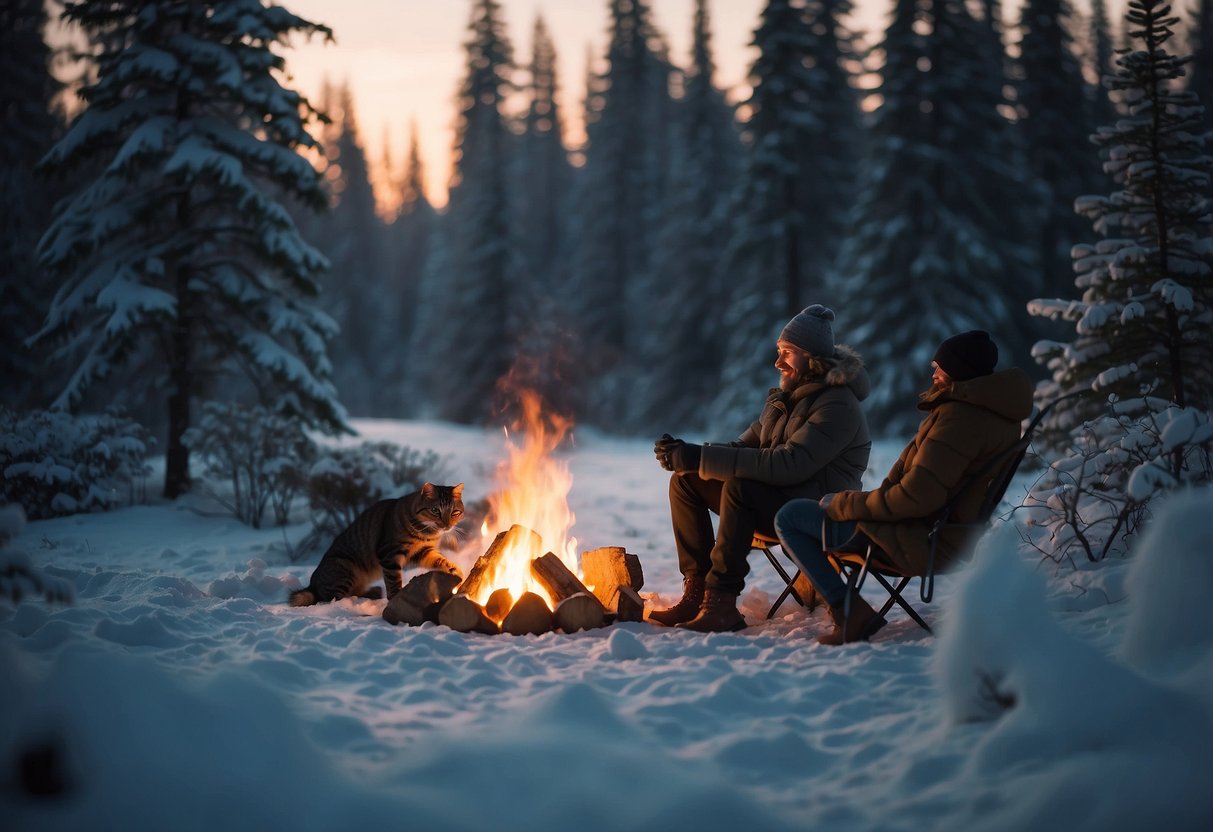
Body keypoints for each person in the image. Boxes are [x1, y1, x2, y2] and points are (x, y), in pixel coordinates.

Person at [774, 330, 1034, 645]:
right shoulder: (993, 416)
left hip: (918, 537)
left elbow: (914, 498)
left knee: (790, 516)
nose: (934, 372)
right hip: (938, 532)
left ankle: (849, 612)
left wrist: (844, 504)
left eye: (939, 367)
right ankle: (837, 603)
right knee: (808, 512)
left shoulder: (959, 420)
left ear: (958, 373)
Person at [650, 304, 872, 632]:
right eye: (779, 351)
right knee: (687, 481)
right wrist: (690, 455)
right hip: (776, 497)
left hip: (814, 509)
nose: (777, 362)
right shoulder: (784, 400)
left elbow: (789, 465)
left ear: (812, 359)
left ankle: (721, 603)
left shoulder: (838, 405)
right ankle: (696, 592)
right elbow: (743, 448)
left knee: (742, 489)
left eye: (787, 352)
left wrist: (700, 457)